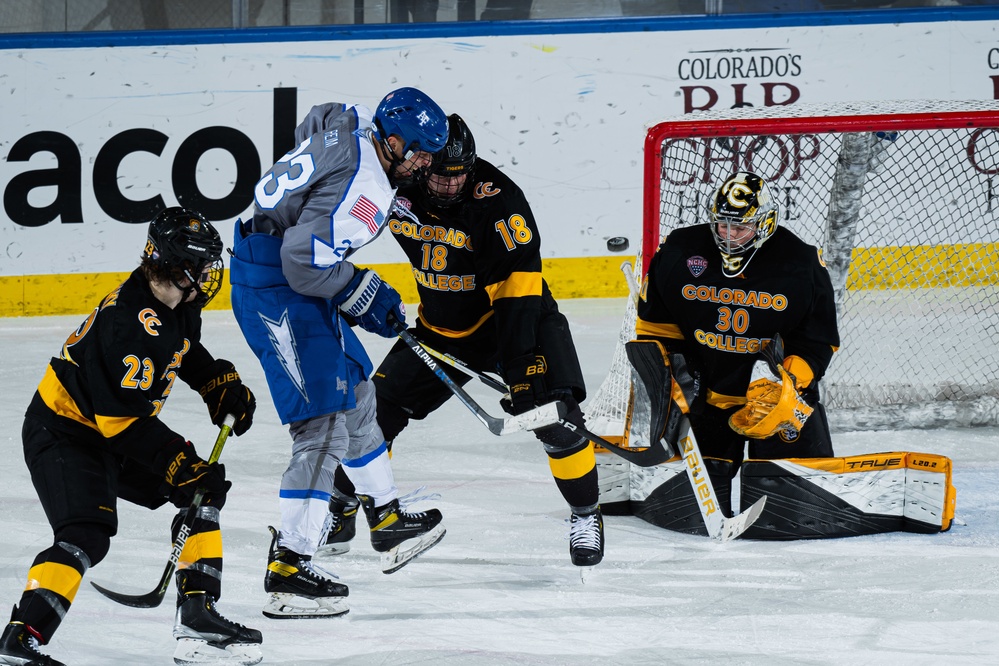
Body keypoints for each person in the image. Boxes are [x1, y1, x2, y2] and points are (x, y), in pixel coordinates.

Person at [322, 114, 605, 567]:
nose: (450, 188)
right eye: (439, 176)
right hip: (440, 329)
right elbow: (337, 235)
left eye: (460, 178)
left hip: (515, 320)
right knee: (372, 415)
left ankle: (586, 514)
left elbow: (517, 292)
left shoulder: (499, 202)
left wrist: (521, 366)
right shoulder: (396, 185)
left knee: (553, 413)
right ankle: (341, 508)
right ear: (421, 162)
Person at [0, 207, 261, 666]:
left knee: (204, 492)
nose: (208, 274)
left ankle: (197, 616)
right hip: (65, 432)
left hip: (109, 429)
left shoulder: (176, 302)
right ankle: (20, 642)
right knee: (85, 535)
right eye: (201, 266)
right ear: (178, 267)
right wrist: (176, 460)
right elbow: (120, 423)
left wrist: (214, 381)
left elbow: (181, 348)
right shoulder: (128, 325)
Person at [228, 87, 449, 619]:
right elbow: (303, 260)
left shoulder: (349, 124)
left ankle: (388, 518)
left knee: (357, 389)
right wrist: (363, 293)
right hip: (275, 288)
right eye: (417, 153)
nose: (422, 166)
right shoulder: (368, 197)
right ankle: (289, 567)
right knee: (323, 425)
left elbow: (318, 117)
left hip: (282, 273)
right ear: (392, 142)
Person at [631, 171, 840, 533]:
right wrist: (670, 372)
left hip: (775, 401)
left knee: (799, 515)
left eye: (739, 227)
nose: (727, 235)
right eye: (721, 225)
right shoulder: (681, 250)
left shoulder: (800, 263)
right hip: (705, 396)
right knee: (689, 512)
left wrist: (788, 382)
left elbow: (818, 341)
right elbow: (656, 327)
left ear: (765, 222)